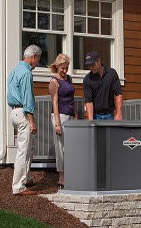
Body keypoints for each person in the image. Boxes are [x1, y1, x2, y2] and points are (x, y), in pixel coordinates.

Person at [7, 45, 42, 195]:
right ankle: (18, 187)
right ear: (33, 57)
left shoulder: (14, 70)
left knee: (29, 147)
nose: (37, 63)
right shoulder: (27, 73)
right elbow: (27, 99)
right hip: (22, 113)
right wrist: (32, 121)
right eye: (38, 59)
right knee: (23, 150)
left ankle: (25, 178)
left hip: (14, 112)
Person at [48, 54, 77, 188]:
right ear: (57, 67)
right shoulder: (54, 82)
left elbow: (73, 99)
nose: (65, 71)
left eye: (67, 68)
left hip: (70, 115)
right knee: (60, 147)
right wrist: (57, 124)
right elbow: (55, 104)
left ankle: (71, 173)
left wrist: (76, 117)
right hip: (59, 116)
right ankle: (61, 177)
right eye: (63, 68)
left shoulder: (69, 79)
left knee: (71, 146)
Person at [83, 51, 123, 120]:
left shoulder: (111, 74)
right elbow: (89, 102)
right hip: (96, 116)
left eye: (92, 64)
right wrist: (91, 120)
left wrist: (119, 113)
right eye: (89, 65)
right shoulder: (87, 79)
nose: (91, 67)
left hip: (110, 115)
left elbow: (119, 94)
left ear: (99, 61)